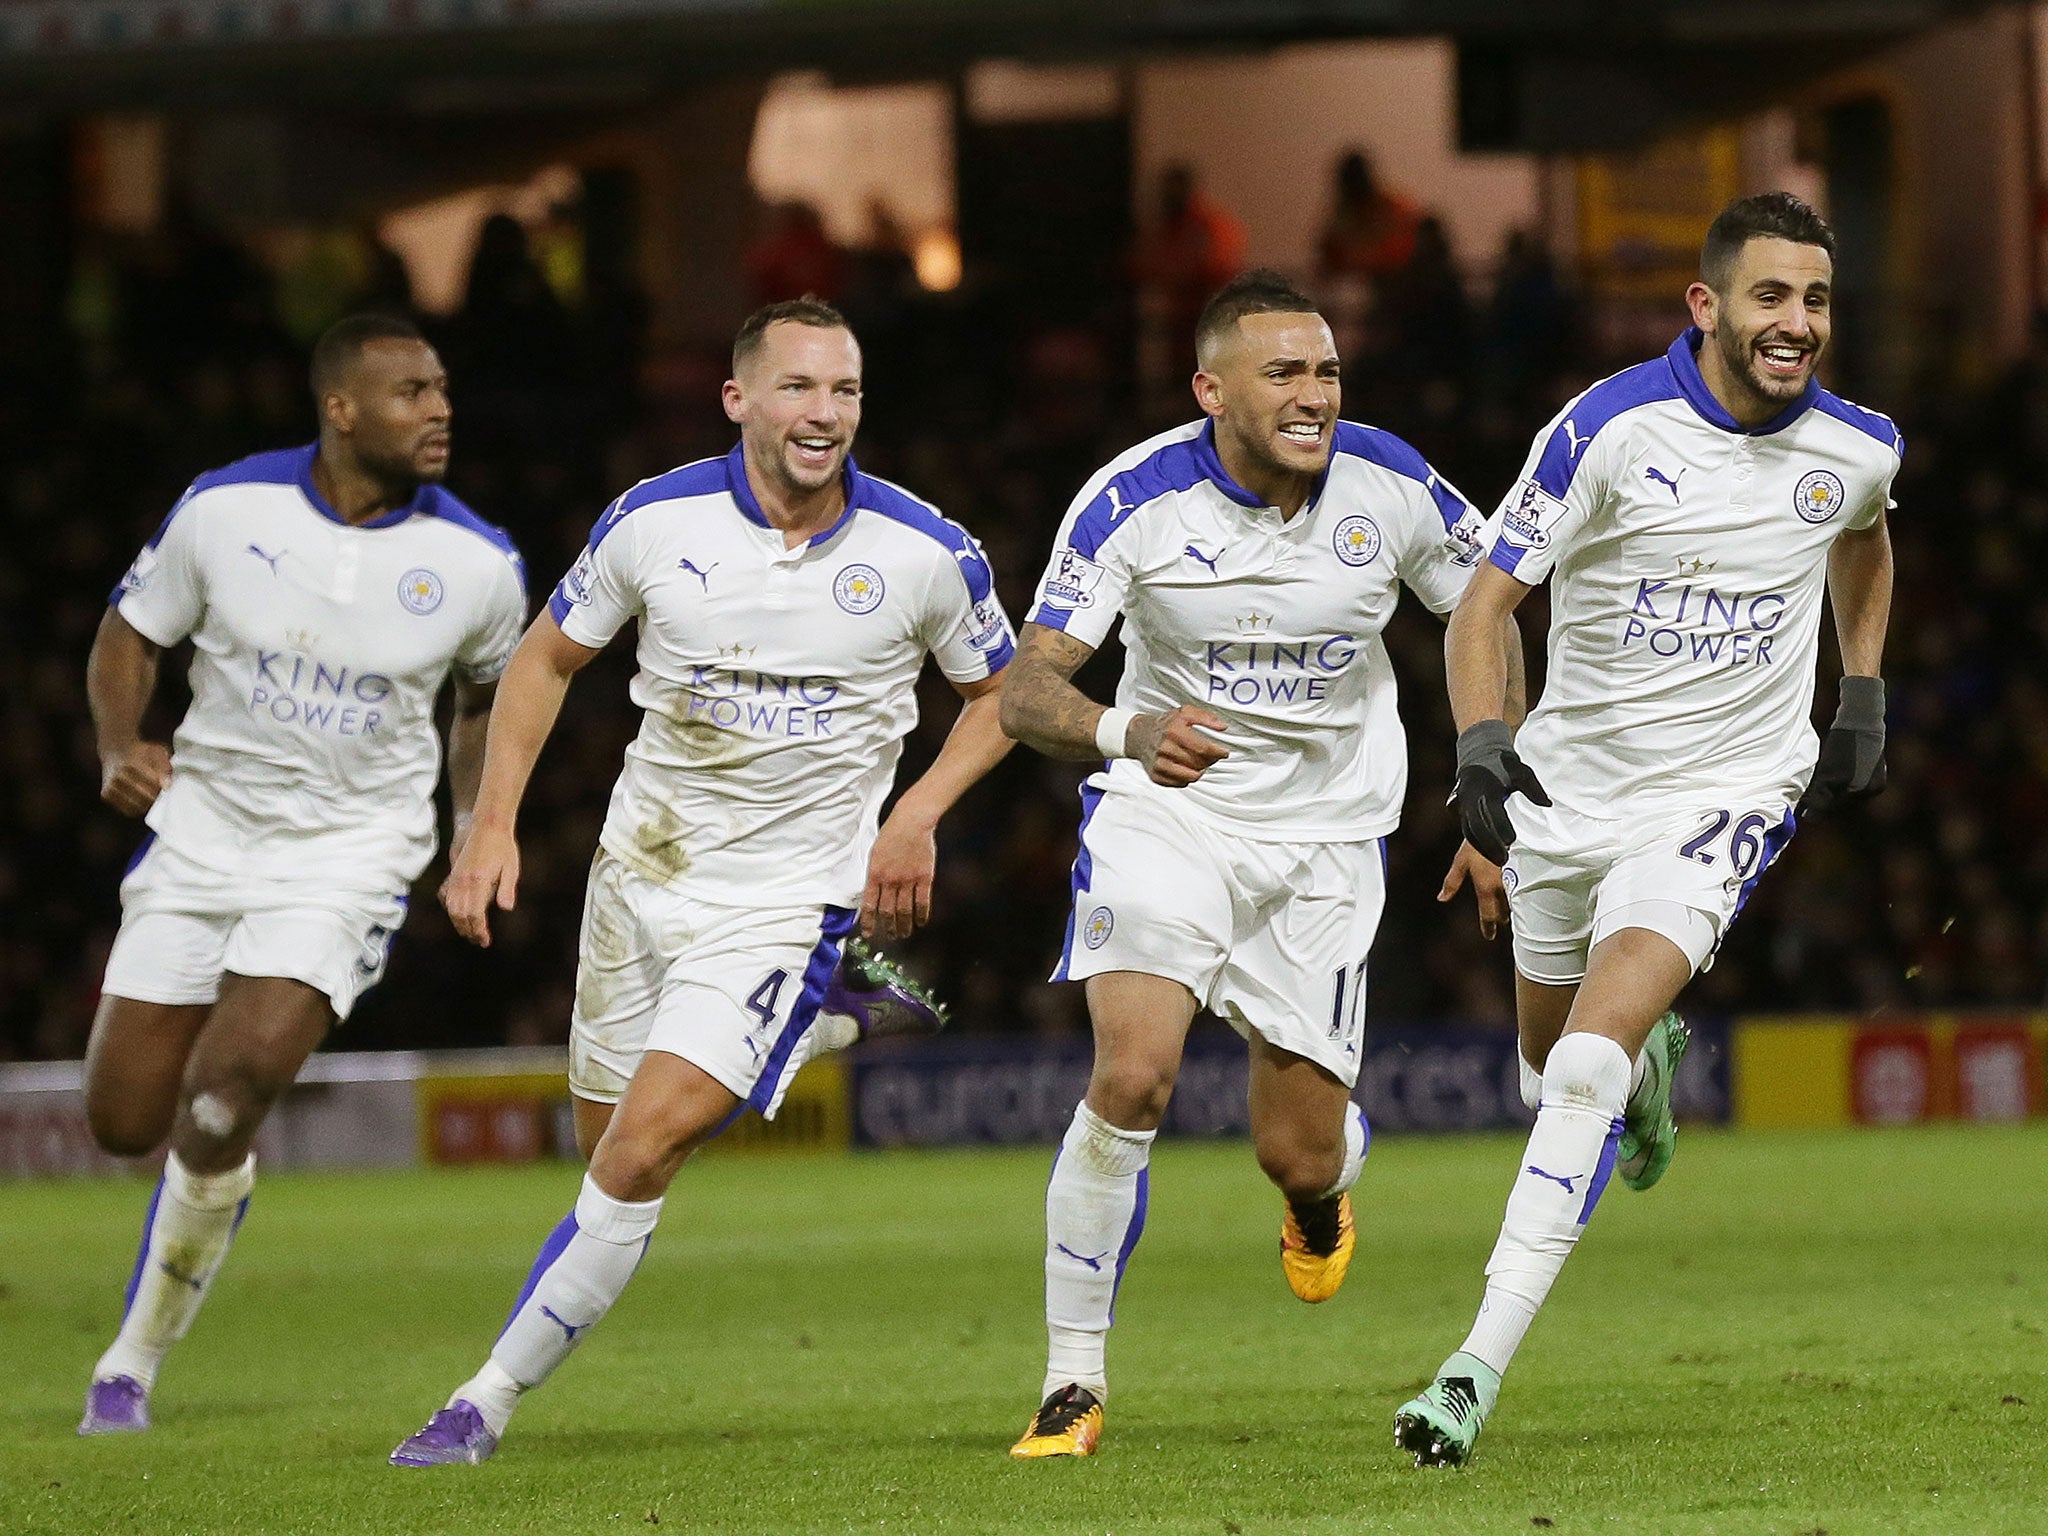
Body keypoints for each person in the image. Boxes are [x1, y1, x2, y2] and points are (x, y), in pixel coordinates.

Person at [388, 297, 1016, 1467]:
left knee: (637, 1156)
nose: (822, 413)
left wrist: (915, 816)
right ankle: (810, 1032)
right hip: (642, 877)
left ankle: (479, 1402)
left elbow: (1006, 694)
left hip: (791, 900)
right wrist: (489, 826)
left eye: (843, 391)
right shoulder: (652, 521)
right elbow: (544, 658)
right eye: (797, 387)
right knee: (602, 1154)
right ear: (738, 398)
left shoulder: (926, 551)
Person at [1396, 191, 1898, 1467]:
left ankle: (1468, 1371)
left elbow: (1862, 543)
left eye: (1816, 301)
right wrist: (1476, 749)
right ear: (1707, 306)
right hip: (1570, 790)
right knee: (1542, 1067)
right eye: (1770, 297)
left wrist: (1861, 692)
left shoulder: (1856, 448)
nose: (1795, 324)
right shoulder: (1608, 429)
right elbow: (1482, 604)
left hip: (1723, 790)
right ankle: (1644, 1063)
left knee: (1579, 1067)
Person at [998, 270, 1519, 1459]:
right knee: (1133, 1078)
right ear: (1210, 388)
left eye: (1326, 371)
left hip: (1327, 843)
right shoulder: (1131, 497)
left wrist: (1492, 802)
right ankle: (1070, 1384)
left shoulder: (1387, 481)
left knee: (1295, 1148)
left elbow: (1485, 612)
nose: (1313, 394)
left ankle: (1319, 1187)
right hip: (1164, 815)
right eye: (1283, 372)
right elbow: (1028, 689)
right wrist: (1129, 733)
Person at [77, 313, 529, 1434]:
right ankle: (209, 1178)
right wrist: (119, 744)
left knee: (229, 1092)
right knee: (124, 1120)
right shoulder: (225, 511)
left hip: (349, 853)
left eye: (441, 390)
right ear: (340, 409)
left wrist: (477, 827)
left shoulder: (478, 563)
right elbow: (129, 634)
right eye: (411, 393)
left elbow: (483, 702)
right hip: (203, 833)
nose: (440, 410)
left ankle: (130, 1364)